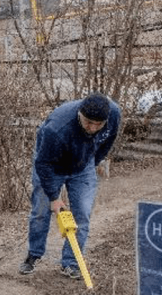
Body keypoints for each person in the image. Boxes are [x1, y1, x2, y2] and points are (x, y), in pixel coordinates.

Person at [19, 92, 121, 279]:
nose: (92, 128)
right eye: (88, 122)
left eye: (98, 125)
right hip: (52, 165)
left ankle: (71, 263)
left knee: (82, 213)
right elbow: (43, 164)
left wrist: (94, 161)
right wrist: (54, 198)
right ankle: (34, 254)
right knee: (41, 212)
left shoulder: (113, 113)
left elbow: (109, 140)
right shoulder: (57, 127)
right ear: (79, 114)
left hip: (83, 165)